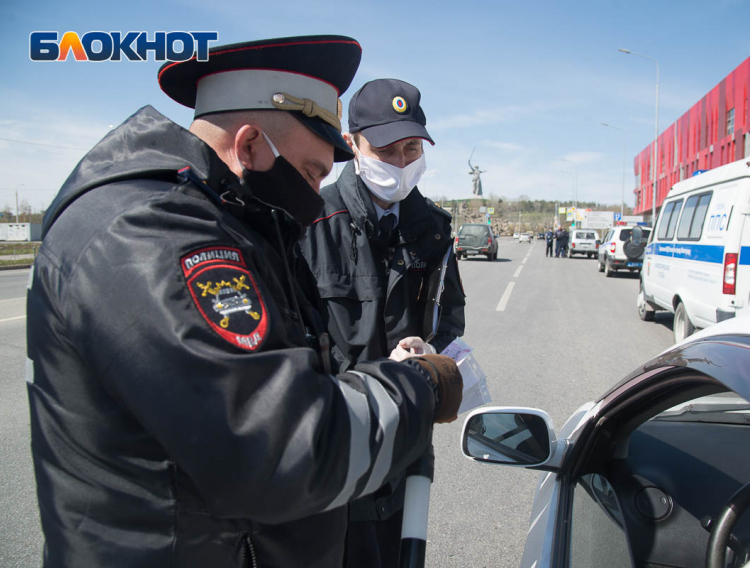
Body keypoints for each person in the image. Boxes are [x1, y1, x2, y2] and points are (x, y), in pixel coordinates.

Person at [26, 36, 463, 568]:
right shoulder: (152, 234)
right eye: (309, 174)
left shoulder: (225, 219)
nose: (311, 199)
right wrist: (424, 382)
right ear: (250, 145)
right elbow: (280, 450)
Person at [299, 78, 466, 568]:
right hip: (335, 451)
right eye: (386, 149)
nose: (399, 162)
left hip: (406, 450)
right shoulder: (309, 218)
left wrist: (431, 355)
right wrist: (375, 379)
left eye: (410, 148)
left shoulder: (434, 226)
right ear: (352, 144)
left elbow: (449, 317)